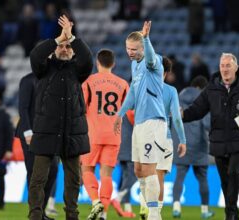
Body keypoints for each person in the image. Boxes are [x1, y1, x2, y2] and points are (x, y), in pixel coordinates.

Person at [27, 15, 93, 220]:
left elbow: (88, 59)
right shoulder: (44, 69)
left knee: (74, 179)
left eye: (67, 47)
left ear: (72, 51)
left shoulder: (78, 70)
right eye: (61, 47)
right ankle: (35, 215)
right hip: (47, 132)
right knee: (38, 179)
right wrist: (58, 38)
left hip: (72, 133)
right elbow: (35, 56)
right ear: (55, 49)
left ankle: (72, 215)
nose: (64, 50)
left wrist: (72, 38)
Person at [114, 21, 180, 220]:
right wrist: (119, 114)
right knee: (138, 169)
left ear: (142, 47)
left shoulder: (154, 61)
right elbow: (133, 93)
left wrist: (147, 37)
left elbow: (150, 59)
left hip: (154, 122)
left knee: (150, 168)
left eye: (134, 49)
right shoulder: (134, 66)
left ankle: (154, 214)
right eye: (128, 49)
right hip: (140, 124)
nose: (130, 52)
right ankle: (149, 207)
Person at [181, 53, 239, 220]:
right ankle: (234, 214)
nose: (225, 69)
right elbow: (198, 109)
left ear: (236, 68)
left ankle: (229, 213)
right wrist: (183, 116)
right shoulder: (212, 88)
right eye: (222, 66)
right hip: (218, 142)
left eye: (228, 66)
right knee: (224, 180)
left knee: (233, 172)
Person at [80, 49, 130, 220]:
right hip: (113, 136)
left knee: (86, 170)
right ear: (113, 64)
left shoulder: (88, 82)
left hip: (93, 135)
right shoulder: (123, 84)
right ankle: (104, 213)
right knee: (106, 175)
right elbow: (129, 112)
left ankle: (95, 202)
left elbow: (81, 108)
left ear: (97, 62)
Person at [138, 57, 187, 219]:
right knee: (159, 176)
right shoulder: (171, 91)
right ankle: (155, 214)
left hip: (144, 137)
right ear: (166, 73)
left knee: (147, 175)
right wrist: (183, 140)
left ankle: (145, 203)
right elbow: (177, 119)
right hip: (163, 138)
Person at [16, 72, 58, 220]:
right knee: (34, 173)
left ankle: (41, 210)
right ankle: (35, 212)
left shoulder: (54, 78)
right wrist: (28, 131)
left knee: (52, 170)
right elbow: (23, 108)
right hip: (31, 133)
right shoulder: (27, 80)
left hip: (50, 132)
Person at [172, 76, 214, 219]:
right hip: (199, 146)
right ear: (202, 88)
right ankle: (204, 211)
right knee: (203, 179)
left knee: (179, 177)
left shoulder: (177, 98)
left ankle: (176, 207)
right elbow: (208, 125)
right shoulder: (204, 101)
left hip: (180, 144)